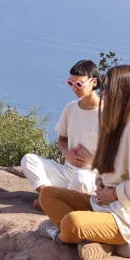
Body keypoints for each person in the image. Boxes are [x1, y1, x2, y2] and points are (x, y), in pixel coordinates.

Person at [38, 65, 130, 260]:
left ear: (122, 92)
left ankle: (61, 235)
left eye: (108, 88)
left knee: (72, 221)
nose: (103, 92)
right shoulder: (115, 123)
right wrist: (102, 181)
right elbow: (112, 166)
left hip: (125, 216)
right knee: (48, 195)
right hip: (103, 204)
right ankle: (98, 239)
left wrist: (113, 194)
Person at [21, 59, 101, 209]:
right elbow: (62, 139)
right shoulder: (70, 108)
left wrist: (92, 159)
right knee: (29, 160)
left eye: (79, 84)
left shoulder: (107, 113)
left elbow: (117, 154)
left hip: (91, 175)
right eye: (71, 83)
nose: (74, 88)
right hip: (67, 170)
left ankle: (57, 201)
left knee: (81, 179)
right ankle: (47, 196)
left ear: (94, 83)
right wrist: (67, 154)